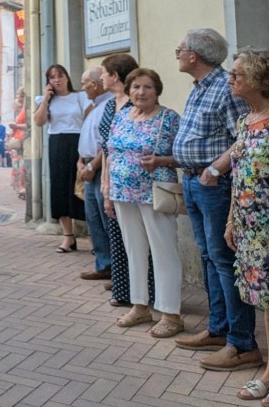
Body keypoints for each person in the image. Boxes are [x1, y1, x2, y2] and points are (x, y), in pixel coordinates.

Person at [170, 29, 258, 371]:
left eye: (182, 48)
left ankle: (242, 344)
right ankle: (218, 329)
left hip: (214, 185)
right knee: (209, 258)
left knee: (223, 260)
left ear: (194, 55)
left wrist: (216, 170)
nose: (177, 51)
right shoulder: (199, 87)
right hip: (193, 182)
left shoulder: (226, 87)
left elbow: (243, 138)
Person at [106, 68, 183, 339]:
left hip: (155, 193)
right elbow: (110, 154)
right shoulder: (121, 116)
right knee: (134, 251)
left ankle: (171, 313)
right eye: (136, 87)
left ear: (157, 90)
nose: (141, 92)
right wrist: (107, 191)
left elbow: (184, 155)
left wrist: (161, 161)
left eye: (148, 87)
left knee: (164, 252)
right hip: (123, 193)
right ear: (128, 90)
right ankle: (140, 306)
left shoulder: (169, 118)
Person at [218, 48, 269, 403]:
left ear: (259, 79)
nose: (231, 78)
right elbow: (239, 177)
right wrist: (231, 220)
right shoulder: (247, 119)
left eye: (237, 73)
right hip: (253, 229)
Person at [98, 53, 152, 309]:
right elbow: (107, 147)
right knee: (118, 237)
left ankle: (144, 294)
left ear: (115, 75)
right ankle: (123, 291)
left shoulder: (135, 105)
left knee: (141, 241)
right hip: (113, 177)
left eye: (104, 72)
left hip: (136, 183)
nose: (100, 77)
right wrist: (104, 182)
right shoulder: (110, 105)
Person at [34, 64, 92, 253]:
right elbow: (39, 122)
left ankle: (93, 238)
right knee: (59, 188)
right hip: (57, 142)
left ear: (67, 77)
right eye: (52, 77)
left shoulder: (80, 96)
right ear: (48, 82)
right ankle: (68, 237)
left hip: (77, 140)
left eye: (60, 75)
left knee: (80, 188)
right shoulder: (46, 100)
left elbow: (89, 120)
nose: (57, 80)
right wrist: (45, 100)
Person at [76, 67, 112, 282]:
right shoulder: (94, 107)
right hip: (88, 166)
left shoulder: (109, 106)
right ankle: (103, 264)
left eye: (84, 83)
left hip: (98, 169)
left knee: (106, 220)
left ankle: (116, 271)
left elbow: (106, 143)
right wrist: (81, 161)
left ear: (95, 85)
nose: (82, 87)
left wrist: (92, 166)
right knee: (94, 220)